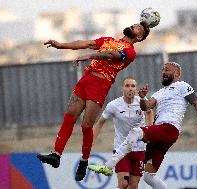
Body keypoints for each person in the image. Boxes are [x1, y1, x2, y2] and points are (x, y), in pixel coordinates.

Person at [37, 21, 150, 181]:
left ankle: (84, 161)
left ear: (139, 37)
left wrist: (89, 55)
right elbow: (86, 43)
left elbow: (111, 55)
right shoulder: (109, 40)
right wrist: (61, 45)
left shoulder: (130, 52)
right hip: (86, 80)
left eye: (138, 27)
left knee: (86, 126)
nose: (133, 25)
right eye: (135, 24)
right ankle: (56, 155)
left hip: (100, 85)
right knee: (69, 117)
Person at [88, 62, 197, 189]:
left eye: (167, 70)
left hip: (169, 127)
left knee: (136, 132)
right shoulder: (159, 93)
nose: (164, 72)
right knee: (148, 176)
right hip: (161, 134)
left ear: (177, 73)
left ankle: (107, 167)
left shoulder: (182, 86)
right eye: (163, 70)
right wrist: (142, 97)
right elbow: (146, 106)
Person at [93, 77, 154, 189]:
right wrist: (90, 140)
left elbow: (150, 113)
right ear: (122, 88)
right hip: (121, 149)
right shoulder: (113, 105)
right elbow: (100, 122)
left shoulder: (141, 101)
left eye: (133, 86)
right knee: (123, 184)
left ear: (136, 89)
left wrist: (149, 131)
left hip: (140, 148)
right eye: (127, 86)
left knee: (133, 185)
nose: (130, 89)